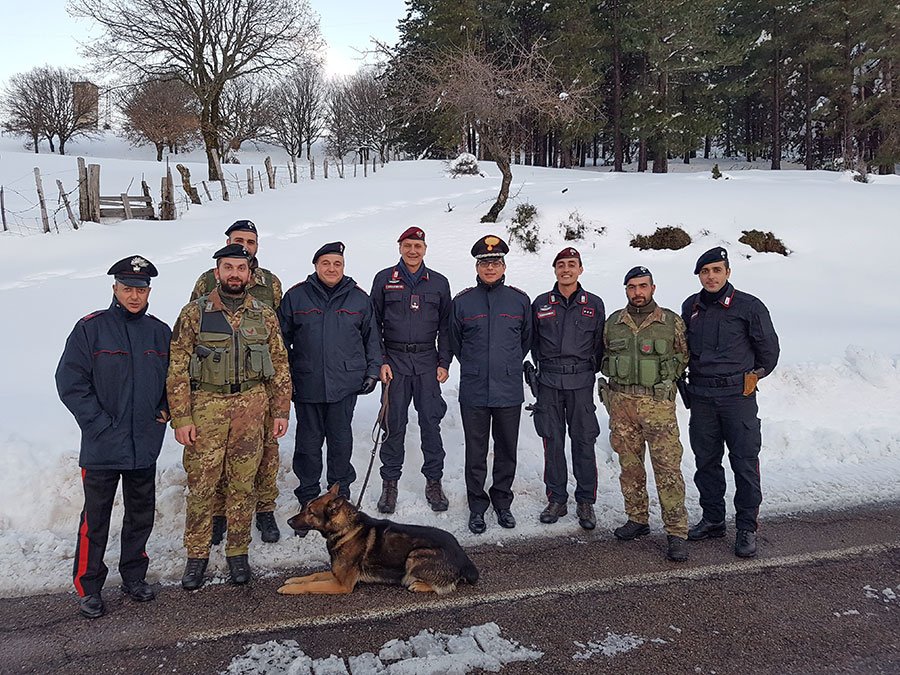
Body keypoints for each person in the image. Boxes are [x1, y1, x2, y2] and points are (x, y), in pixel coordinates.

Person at [167, 244, 291, 589]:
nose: (234, 274)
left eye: (241, 268)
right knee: (202, 485)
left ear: (250, 274)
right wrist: (182, 417)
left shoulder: (264, 314)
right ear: (217, 272)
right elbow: (177, 368)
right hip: (207, 406)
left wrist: (281, 410)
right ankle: (197, 555)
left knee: (243, 483)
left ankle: (238, 551)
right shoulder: (194, 313)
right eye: (228, 267)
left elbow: (280, 365)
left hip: (252, 406)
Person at [55, 256, 172, 619]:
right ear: (115, 289)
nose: (134, 296)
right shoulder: (91, 329)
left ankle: (133, 576)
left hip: (144, 444)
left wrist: (163, 412)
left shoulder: (159, 332)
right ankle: (89, 586)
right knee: (95, 520)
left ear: (149, 292)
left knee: (140, 515)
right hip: (102, 445)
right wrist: (98, 424)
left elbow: (175, 381)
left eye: (141, 289)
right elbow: (70, 382)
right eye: (127, 288)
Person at [681, 247, 780, 558]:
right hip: (701, 398)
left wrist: (753, 377)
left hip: (737, 398)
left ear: (727, 272)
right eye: (705, 271)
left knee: (744, 462)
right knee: (706, 462)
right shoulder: (691, 306)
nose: (711, 276)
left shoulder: (749, 306)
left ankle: (747, 527)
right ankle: (713, 519)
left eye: (716, 270)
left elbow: (769, 353)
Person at [190, 219, 284, 545]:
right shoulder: (207, 281)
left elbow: (278, 335)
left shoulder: (270, 283)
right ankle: (218, 513)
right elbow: (194, 332)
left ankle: (265, 508)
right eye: (238, 240)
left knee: (266, 451)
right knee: (219, 452)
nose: (245, 246)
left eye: (250, 242)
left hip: (259, 384)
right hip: (217, 384)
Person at [277, 242, 382, 533]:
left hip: (344, 384)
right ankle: (309, 497)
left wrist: (373, 370)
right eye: (326, 263)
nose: (332, 268)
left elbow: (372, 338)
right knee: (308, 443)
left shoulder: (358, 298)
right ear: (316, 266)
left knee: (340, 440)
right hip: (307, 383)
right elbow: (280, 341)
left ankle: (339, 495)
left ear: (343, 266)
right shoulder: (296, 296)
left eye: (337, 263)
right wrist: (286, 377)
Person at [600, 266, 690, 562]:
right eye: (632, 287)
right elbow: (604, 355)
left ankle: (676, 531)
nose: (637, 292)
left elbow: (683, 356)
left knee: (667, 469)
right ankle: (637, 518)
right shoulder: (614, 323)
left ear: (653, 288)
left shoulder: (670, 322)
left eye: (643, 286)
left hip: (658, 408)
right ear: (626, 290)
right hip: (622, 406)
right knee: (630, 467)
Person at [450, 235, 532, 535]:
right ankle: (477, 506)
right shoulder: (462, 302)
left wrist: (506, 364)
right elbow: (455, 342)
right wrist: (476, 365)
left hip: (508, 388)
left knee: (507, 449)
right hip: (474, 389)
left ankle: (502, 501)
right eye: (484, 263)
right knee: (476, 451)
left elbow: (526, 340)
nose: (490, 268)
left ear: (504, 266)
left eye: (495, 262)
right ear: (477, 267)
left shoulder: (519, 300)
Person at [370, 227, 452, 514]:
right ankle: (389, 483)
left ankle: (434, 481)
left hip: (428, 361)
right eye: (408, 245)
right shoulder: (384, 279)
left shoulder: (439, 283)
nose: (413, 251)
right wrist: (381, 360)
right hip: (395, 362)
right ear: (400, 248)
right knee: (393, 424)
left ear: (425, 249)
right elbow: (373, 324)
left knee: (431, 422)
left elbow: (446, 326)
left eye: (417, 246)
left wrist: (444, 362)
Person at [530, 247, 605, 530]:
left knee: (584, 441)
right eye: (561, 265)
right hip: (549, 382)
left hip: (581, 382)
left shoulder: (594, 304)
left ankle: (585, 500)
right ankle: (557, 499)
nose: (566, 269)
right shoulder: (541, 303)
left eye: (572, 264)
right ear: (555, 270)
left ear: (580, 269)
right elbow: (533, 342)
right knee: (552, 441)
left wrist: (584, 370)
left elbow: (599, 344)